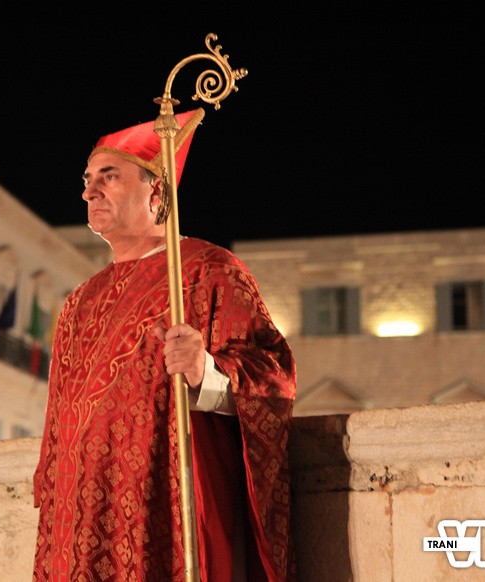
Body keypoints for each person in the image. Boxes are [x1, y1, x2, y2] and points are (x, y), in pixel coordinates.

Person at [32, 107, 297, 581]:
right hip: (77, 519)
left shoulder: (209, 270)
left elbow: (273, 376)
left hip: (164, 512)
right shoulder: (77, 302)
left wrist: (205, 371)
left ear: (156, 192)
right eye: (88, 179)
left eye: (109, 177)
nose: (89, 191)